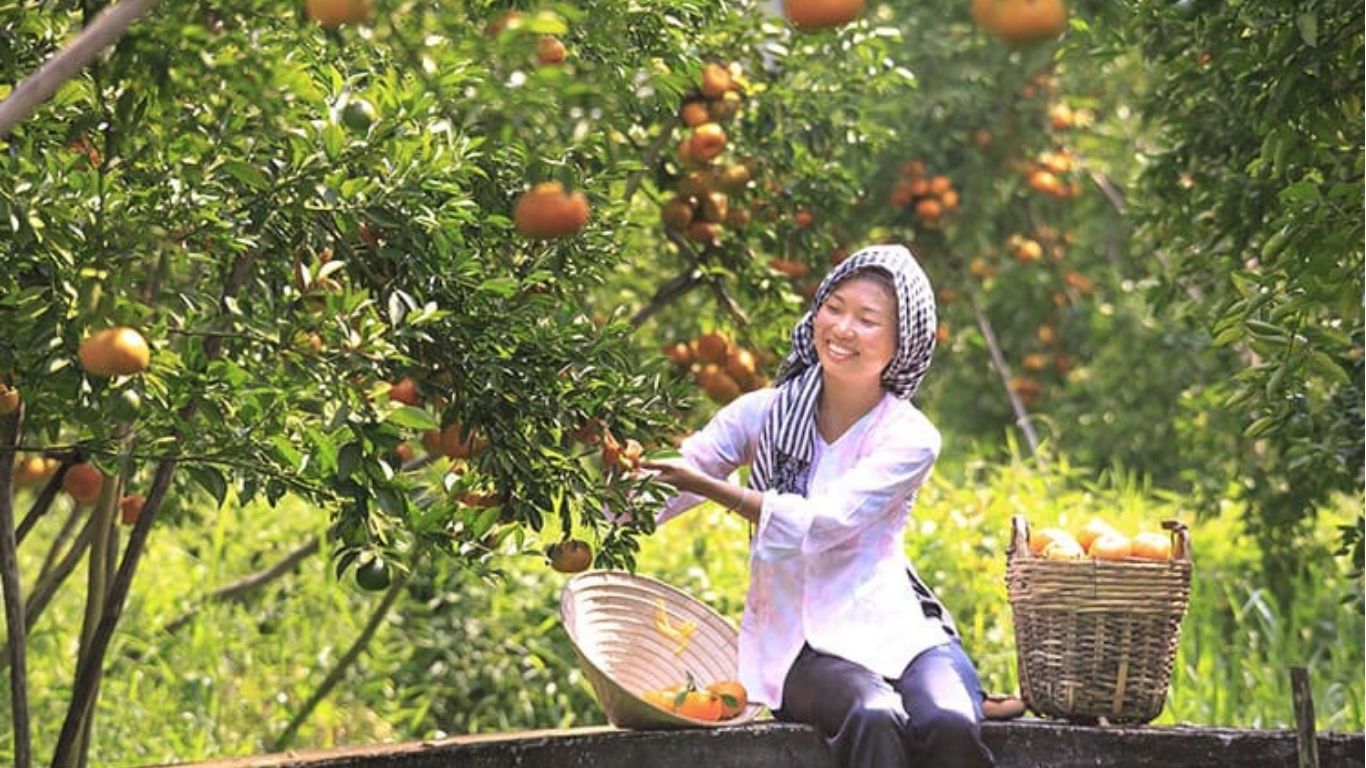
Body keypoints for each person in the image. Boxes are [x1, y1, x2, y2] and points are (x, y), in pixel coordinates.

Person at [641, 244, 999, 768]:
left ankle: (968, 694)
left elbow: (825, 522)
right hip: (798, 643)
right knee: (873, 713)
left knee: (949, 720)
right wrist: (599, 506)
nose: (843, 328)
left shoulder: (910, 437)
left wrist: (722, 491)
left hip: (896, 628)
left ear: (903, 343)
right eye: (834, 307)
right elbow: (682, 473)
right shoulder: (763, 413)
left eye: (867, 319)